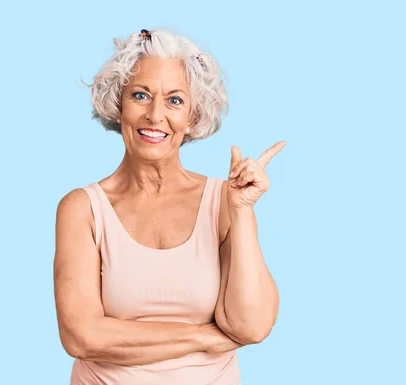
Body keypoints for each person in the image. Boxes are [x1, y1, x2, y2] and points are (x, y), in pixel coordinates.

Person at [53, 27, 285, 385]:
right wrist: (202, 336)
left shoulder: (224, 202)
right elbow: (81, 336)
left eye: (175, 100)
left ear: (193, 117)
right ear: (119, 106)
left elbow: (251, 327)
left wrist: (240, 211)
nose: (155, 115)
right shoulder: (82, 208)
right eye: (140, 95)